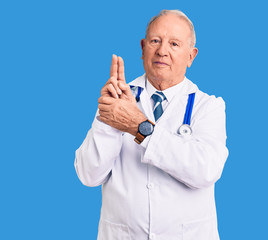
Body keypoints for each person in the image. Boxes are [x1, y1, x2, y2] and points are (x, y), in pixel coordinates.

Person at [74, 9, 229, 240]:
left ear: (191, 56)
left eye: (174, 44)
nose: (162, 51)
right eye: (155, 41)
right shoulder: (118, 98)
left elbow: (205, 171)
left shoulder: (208, 107)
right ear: (143, 48)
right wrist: (110, 121)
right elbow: (89, 175)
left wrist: (139, 126)